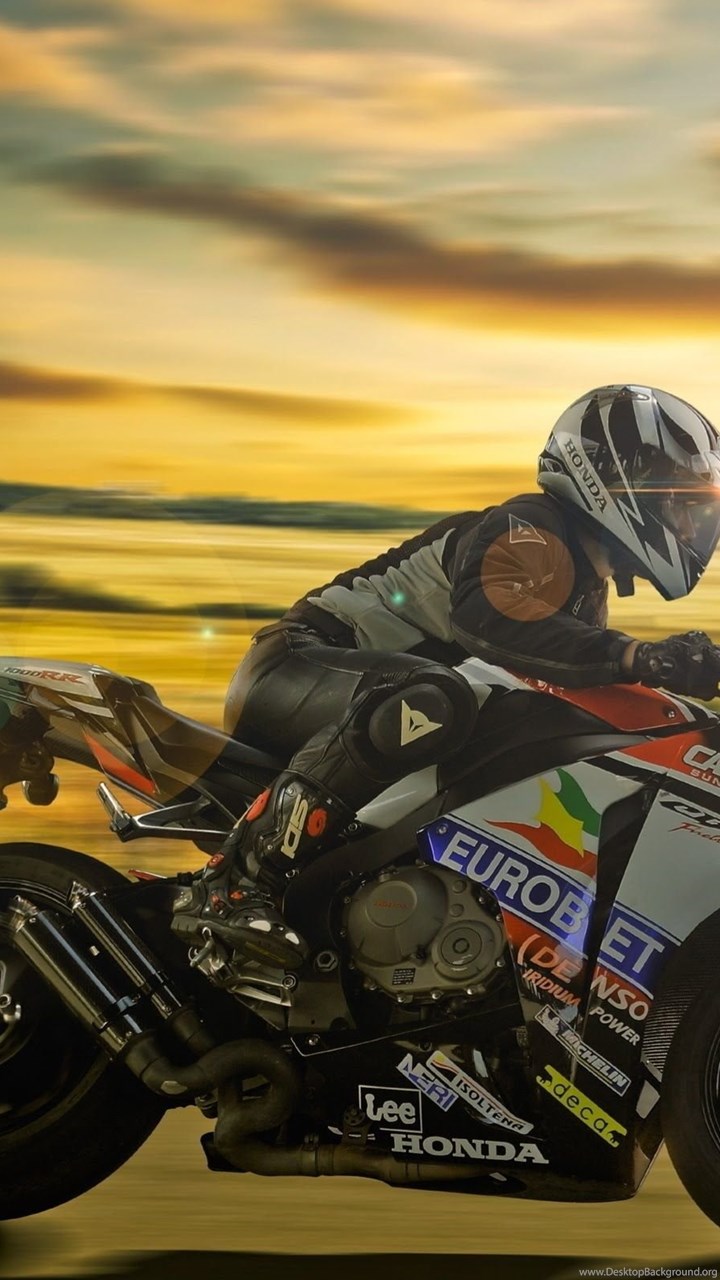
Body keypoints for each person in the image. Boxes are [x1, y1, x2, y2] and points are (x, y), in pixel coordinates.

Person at [173, 383, 720, 976]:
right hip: (300, 665)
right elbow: (495, 620)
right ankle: (234, 882)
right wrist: (641, 657)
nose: (688, 523)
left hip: (376, 719)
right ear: (615, 475)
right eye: (679, 502)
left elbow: (563, 675)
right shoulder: (530, 527)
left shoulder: (585, 594)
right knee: (438, 698)